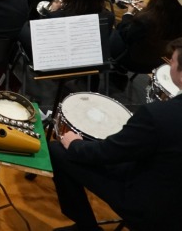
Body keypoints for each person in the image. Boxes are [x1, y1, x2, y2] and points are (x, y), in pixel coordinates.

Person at [48, 36, 182, 231]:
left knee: (59, 151)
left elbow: (107, 153)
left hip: (150, 205)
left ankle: (86, 227)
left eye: (173, 60)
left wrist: (75, 144)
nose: (169, 63)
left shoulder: (157, 116)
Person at [109, 0, 182, 74]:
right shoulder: (175, 20)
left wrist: (128, 13)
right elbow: (167, 15)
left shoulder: (146, 21)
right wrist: (146, 8)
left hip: (132, 61)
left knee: (107, 29)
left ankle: (118, 69)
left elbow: (125, 34)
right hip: (157, 63)